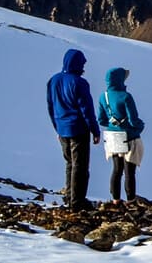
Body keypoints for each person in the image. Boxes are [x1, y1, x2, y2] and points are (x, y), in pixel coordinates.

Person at [45, 48, 99, 211]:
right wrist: (95, 130)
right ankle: (78, 201)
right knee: (80, 166)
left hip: (62, 128)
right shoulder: (79, 83)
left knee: (69, 163)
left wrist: (57, 127)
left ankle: (70, 197)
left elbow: (51, 106)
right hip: (78, 129)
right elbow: (87, 109)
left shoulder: (53, 80)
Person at [96, 67, 146, 202]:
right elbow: (134, 120)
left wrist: (113, 126)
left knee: (116, 169)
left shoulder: (103, 97)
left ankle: (115, 200)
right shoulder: (126, 97)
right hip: (129, 137)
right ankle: (130, 200)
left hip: (112, 137)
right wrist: (140, 127)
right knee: (129, 171)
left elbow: (101, 120)